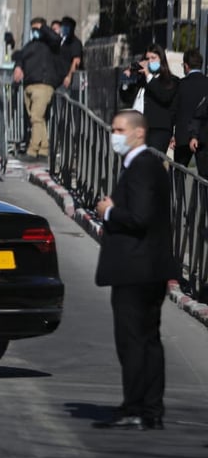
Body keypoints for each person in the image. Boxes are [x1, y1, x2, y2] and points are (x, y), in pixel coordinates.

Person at [93, 109, 176, 430]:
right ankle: (150, 409)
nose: (113, 135)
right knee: (149, 339)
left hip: (135, 270)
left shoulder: (141, 167)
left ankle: (136, 406)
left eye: (118, 129)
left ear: (138, 133)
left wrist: (109, 212)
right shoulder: (148, 166)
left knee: (133, 341)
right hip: (149, 268)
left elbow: (139, 217)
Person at [12, 17, 61, 161]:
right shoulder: (30, 46)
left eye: (37, 29)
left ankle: (32, 151)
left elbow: (56, 39)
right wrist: (18, 67)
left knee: (36, 117)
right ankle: (44, 150)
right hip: (29, 84)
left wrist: (43, 28)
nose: (35, 32)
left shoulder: (50, 44)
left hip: (43, 84)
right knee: (38, 120)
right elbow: (21, 56)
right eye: (33, 29)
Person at [121, 44, 179, 153]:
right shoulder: (140, 79)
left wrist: (148, 76)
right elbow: (126, 98)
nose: (149, 61)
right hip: (136, 129)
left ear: (161, 60)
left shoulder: (171, 81)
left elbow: (164, 96)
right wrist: (126, 80)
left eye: (153, 58)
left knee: (151, 163)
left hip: (157, 130)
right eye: (147, 59)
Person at [174, 49, 208, 173]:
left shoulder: (181, 85)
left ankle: (177, 193)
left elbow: (174, 110)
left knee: (177, 175)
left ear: (186, 66)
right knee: (204, 177)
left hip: (183, 136)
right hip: (204, 136)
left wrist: (173, 135)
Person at [57, 16, 84, 90]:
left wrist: (69, 76)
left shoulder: (75, 43)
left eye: (66, 26)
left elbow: (76, 61)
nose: (63, 28)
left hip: (69, 80)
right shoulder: (61, 42)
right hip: (59, 79)